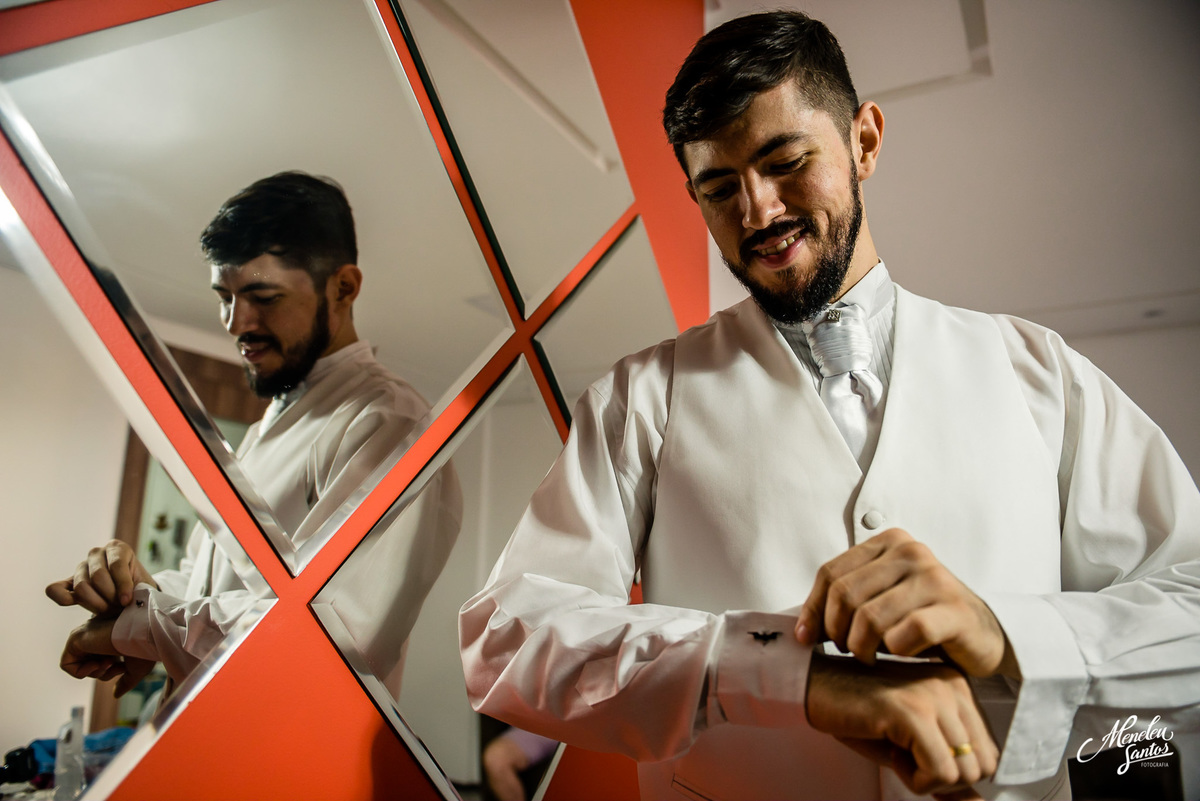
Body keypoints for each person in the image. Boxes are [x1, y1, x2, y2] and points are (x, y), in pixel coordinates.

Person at [459, 11, 1200, 801]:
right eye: (719, 188)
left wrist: (1007, 634)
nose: (758, 212)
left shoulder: (1040, 373)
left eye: (786, 161)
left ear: (866, 141)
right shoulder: (639, 399)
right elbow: (506, 637)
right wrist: (774, 667)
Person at [48, 171, 462, 702]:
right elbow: (212, 585)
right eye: (224, 296)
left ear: (344, 287)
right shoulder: (272, 424)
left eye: (262, 296)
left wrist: (141, 629)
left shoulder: (389, 424)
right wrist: (132, 593)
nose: (235, 322)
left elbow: (335, 637)